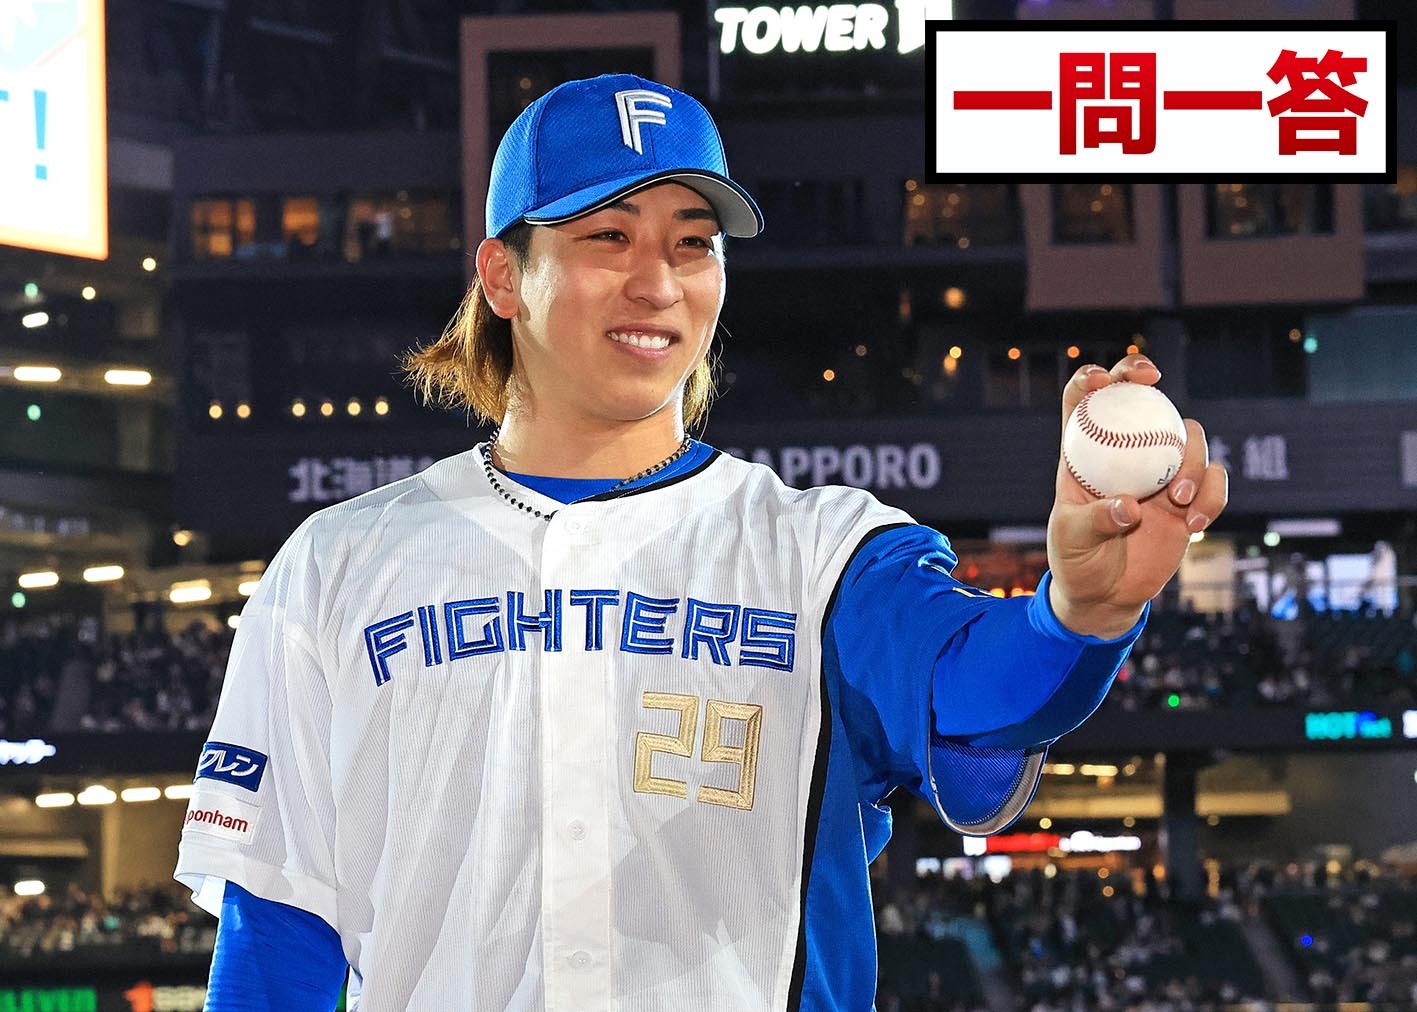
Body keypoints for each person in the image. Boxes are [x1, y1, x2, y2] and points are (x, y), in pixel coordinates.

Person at [175, 74, 1227, 1011]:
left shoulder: (824, 554)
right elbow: (279, 929)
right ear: (502, 276)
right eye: (607, 236)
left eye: (693, 242)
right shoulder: (339, 565)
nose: (658, 281)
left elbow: (979, 689)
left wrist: (1082, 612)